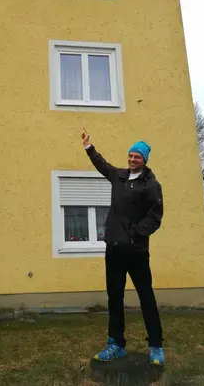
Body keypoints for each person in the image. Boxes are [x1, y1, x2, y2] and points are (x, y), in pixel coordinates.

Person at [81, 129, 165, 366]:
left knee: (146, 297)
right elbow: (102, 164)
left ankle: (156, 346)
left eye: (137, 156)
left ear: (144, 159)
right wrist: (89, 147)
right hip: (114, 249)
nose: (132, 159)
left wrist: (137, 234)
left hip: (136, 251)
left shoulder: (151, 184)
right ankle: (115, 344)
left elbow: (155, 215)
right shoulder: (118, 176)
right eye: (130, 155)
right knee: (114, 298)